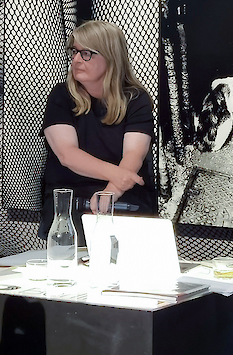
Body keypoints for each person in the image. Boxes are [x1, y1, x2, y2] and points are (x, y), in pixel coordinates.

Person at [40, 20, 156, 244]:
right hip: (70, 204)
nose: (75, 60)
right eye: (74, 52)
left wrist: (112, 190)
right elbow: (68, 155)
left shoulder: (136, 98)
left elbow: (134, 154)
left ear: (110, 56)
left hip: (124, 199)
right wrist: (120, 176)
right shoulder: (61, 96)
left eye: (86, 54)